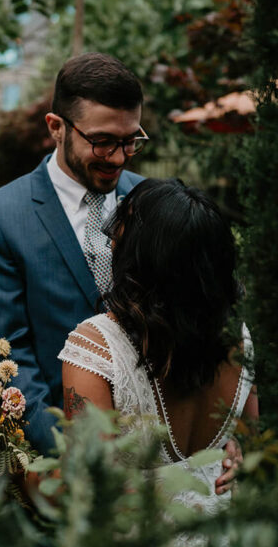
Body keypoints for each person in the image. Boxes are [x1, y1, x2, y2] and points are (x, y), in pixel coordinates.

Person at [0, 52, 146, 454]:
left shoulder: (149, 200)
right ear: (57, 127)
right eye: (102, 142)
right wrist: (70, 453)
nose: (118, 158)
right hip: (63, 452)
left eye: (130, 141)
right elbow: (7, 353)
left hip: (155, 441)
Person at [58, 178, 258, 509]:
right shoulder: (238, 338)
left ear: (144, 258)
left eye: (121, 237)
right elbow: (253, 440)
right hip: (222, 539)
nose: (111, 246)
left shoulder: (93, 348)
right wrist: (237, 453)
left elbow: (91, 489)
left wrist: (24, 476)